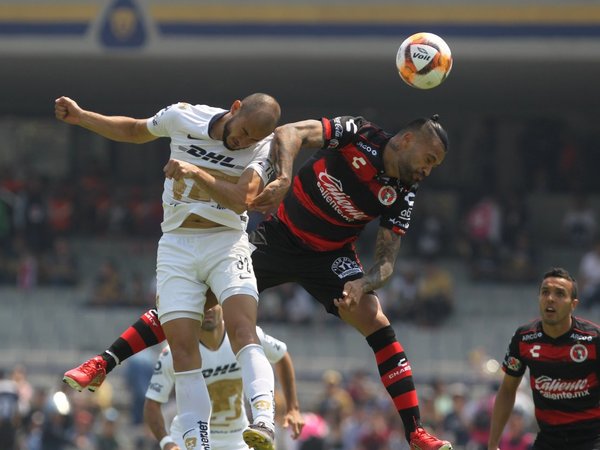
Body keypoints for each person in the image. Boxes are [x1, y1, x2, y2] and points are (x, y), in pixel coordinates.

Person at [63, 113, 452, 449]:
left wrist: (365, 283)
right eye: (429, 159)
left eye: (435, 165)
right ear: (406, 140)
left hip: (330, 256)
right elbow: (288, 132)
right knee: (197, 303)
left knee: (377, 322)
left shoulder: (403, 191)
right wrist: (283, 177)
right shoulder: (359, 133)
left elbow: (386, 263)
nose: (428, 169)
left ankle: (415, 432)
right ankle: (104, 361)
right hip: (278, 236)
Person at [55, 94, 282, 450]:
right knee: (182, 351)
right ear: (235, 109)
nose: (244, 142)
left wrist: (195, 171)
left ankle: (265, 421)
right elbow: (134, 130)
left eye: (252, 138)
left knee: (242, 329)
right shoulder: (183, 117)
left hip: (226, 242)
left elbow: (243, 199)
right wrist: (84, 117)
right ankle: (198, 444)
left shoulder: (264, 145)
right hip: (177, 245)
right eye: (243, 132)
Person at [144, 303, 304, 450]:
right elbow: (152, 403)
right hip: (190, 440)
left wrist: (293, 408)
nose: (208, 309)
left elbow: (281, 355)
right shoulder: (174, 353)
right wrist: (167, 443)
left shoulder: (244, 337)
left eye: (212, 302)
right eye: (201, 303)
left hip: (238, 440)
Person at [488, 267, 600, 450]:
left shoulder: (593, 339)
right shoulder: (524, 338)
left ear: (573, 304)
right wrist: (493, 444)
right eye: (545, 292)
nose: (550, 298)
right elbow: (507, 389)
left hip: (591, 440)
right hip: (548, 440)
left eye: (560, 294)